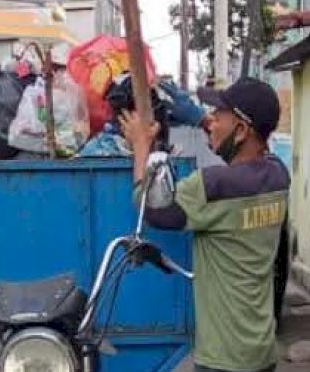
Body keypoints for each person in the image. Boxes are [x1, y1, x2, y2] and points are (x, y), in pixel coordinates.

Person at [121, 77, 290, 372]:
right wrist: (202, 121)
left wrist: (140, 146)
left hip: (224, 358)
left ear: (240, 130)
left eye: (218, 115)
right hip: (261, 350)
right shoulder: (278, 176)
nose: (210, 121)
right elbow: (248, 153)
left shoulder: (214, 186)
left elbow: (152, 208)